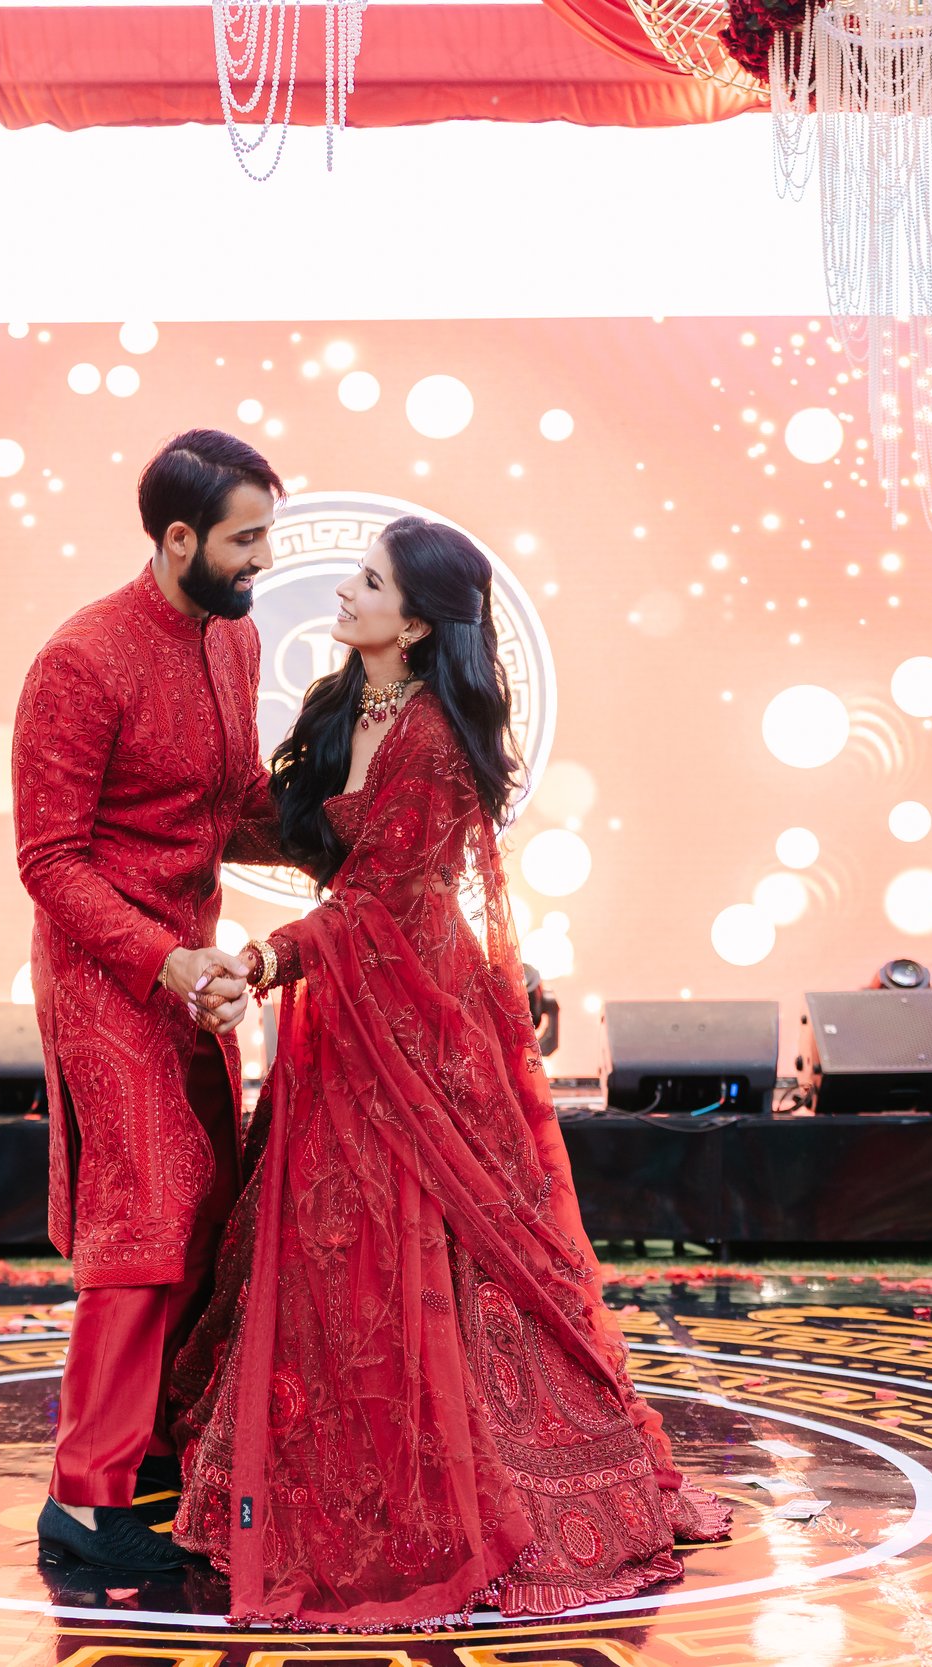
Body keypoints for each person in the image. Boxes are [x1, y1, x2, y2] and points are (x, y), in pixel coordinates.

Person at [167, 518, 730, 1628]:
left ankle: (484, 1479)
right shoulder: (342, 708)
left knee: (438, 1232)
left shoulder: (429, 735)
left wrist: (265, 958)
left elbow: (384, 899)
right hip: (344, 1010)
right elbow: (299, 839)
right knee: (332, 1236)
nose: (347, 589)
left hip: (416, 1008)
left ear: (415, 621)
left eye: (368, 580)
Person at [13, 429, 277, 1573]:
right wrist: (160, 959)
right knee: (144, 1215)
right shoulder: (81, 659)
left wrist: (375, 832)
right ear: (178, 539)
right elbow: (49, 858)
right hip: (104, 970)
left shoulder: (239, 637)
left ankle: (159, 1448)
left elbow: (235, 800)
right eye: (245, 538)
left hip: (193, 969)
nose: (263, 557)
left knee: (209, 1196)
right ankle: (85, 1492)